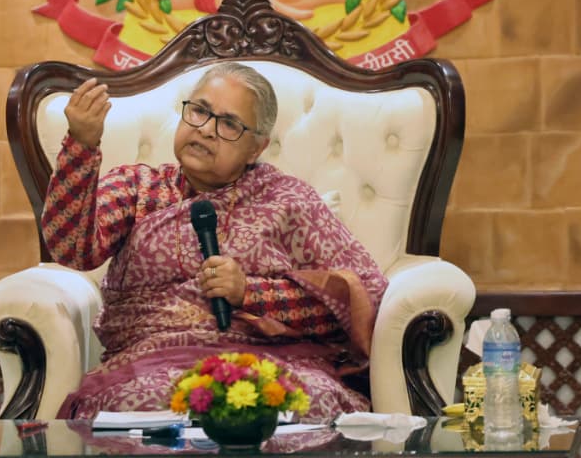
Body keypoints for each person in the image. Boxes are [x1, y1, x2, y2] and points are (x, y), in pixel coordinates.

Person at [42, 62, 388, 421]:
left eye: (229, 124)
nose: (206, 129)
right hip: (150, 363)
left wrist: (251, 293)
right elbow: (72, 251)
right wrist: (82, 144)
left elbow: (367, 293)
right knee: (150, 401)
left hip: (274, 362)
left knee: (306, 401)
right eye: (200, 111)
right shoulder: (138, 188)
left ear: (256, 148)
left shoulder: (288, 200)